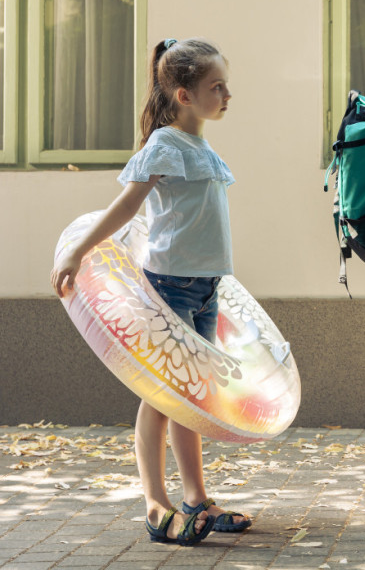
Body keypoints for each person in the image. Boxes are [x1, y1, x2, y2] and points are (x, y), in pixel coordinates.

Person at [50, 38, 250, 545]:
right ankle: (156, 504)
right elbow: (127, 207)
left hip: (205, 289)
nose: (228, 95)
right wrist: (78, 252)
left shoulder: (202, 147)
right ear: (184, 95)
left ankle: (197, 498)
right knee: (161, 397)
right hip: (170, 289)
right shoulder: (165, 145)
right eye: (217, 87)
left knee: (192, 398)